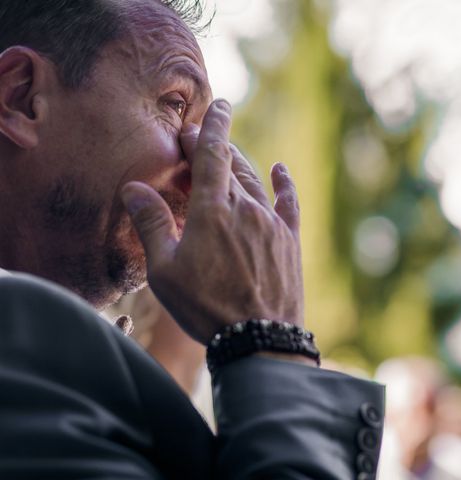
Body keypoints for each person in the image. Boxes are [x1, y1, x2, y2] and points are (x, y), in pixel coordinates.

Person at [0, 1, 384, 479]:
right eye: (175, 104)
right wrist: (270, 341)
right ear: (21, 96)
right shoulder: (21, 339)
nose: (205, 166)